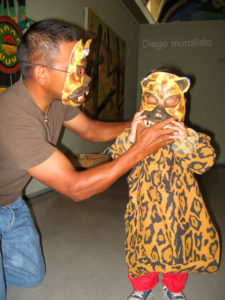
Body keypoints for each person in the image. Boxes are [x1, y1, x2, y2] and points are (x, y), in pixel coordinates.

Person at [0, 20, 176, 299]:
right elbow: (75, 187)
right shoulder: (13, 117)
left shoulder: (56, 100)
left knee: (30, 276)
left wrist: (137, 123)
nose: (83, 76)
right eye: (75, 69)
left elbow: (92, 131)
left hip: (10, 203)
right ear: (42, 73)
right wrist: (139, 150)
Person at [105, 68, 220, 300]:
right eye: (152, 98)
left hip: (180, 208)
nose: (161, 107)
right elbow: (116, 158)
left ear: (181, 101)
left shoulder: (187, 134)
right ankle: (142, 286)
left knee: (178, 247)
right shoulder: (134, 133)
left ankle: (174, 287)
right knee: (140, 245)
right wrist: (131, 137)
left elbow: (204, 161)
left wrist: (185, 140)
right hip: (143, 207)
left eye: (170, 100)